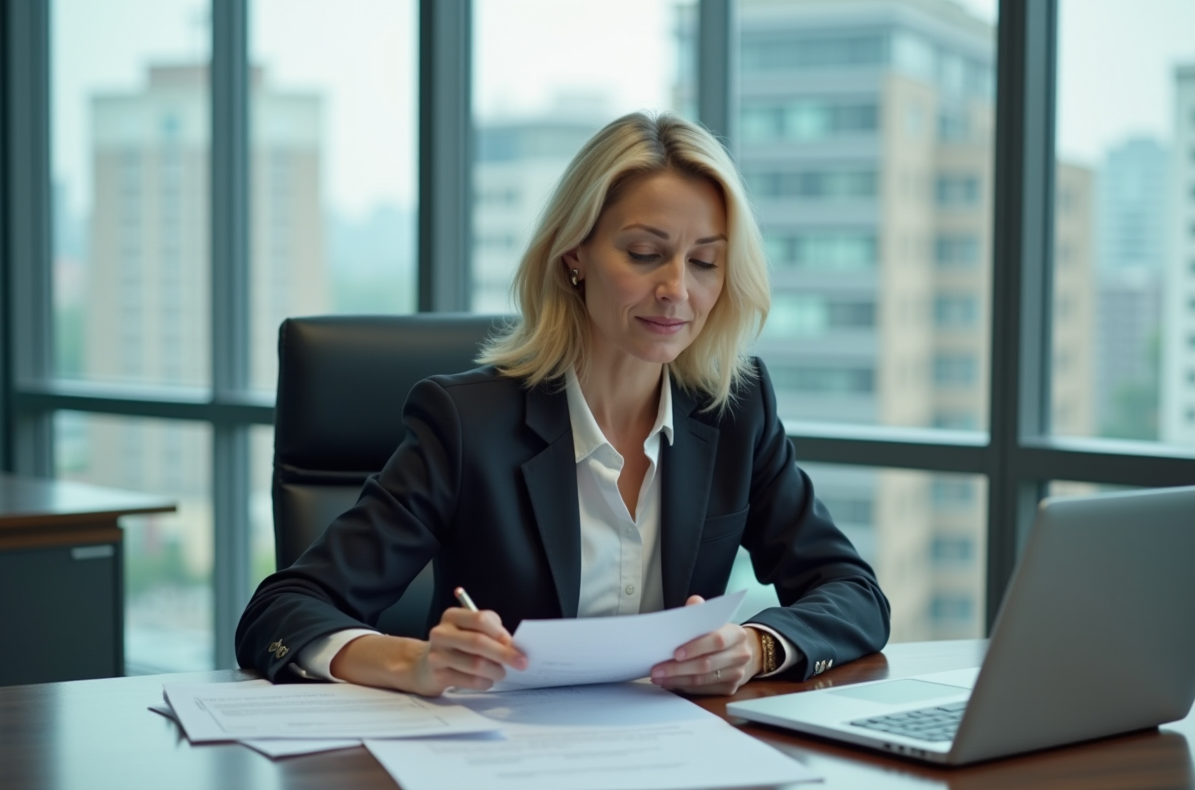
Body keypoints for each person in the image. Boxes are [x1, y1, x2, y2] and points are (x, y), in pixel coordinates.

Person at [236, 111, 889, 697]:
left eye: (705, 263)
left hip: (680, 760)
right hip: (498, 761)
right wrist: (414, 662)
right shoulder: (467, 425)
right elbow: (285, 610)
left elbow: (854, 593)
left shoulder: (734, 412)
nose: (676, 290)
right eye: (644, 253)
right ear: (573, 254)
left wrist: (756, 646)